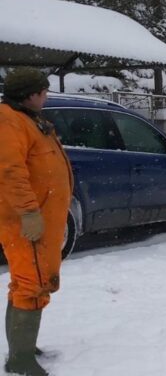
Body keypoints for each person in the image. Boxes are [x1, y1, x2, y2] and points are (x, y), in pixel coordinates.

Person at [0, 68, 72, 376]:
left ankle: (24, 346)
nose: (46, 97)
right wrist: (29, 212)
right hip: (26, 221)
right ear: (30, 94)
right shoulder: (9, 121)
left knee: (33, 281)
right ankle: (20, 359)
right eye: (43, 92)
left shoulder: (29, 119)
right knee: (30, 283)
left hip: (43, 218)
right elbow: (9, 171)